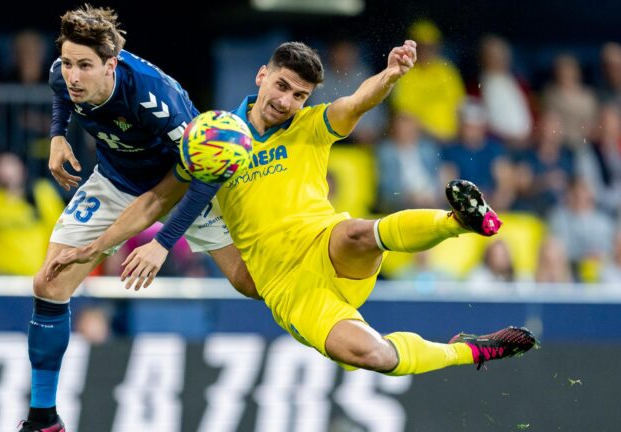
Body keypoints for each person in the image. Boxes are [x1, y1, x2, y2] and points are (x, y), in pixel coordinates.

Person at [103, 40, 535, 380]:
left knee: (356, 233)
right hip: (290, 289)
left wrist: (389, 74)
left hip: (327, 247)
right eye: (282, 86)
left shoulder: (312, 125)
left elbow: (358, 102)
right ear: (262, 76)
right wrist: (105, 247)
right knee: (374, 355)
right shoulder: (216, 136)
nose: (287, 101)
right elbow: (166, 197)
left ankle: (460, 221)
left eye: (299, 95)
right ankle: (470, 349)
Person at [19, 5, 256, 431]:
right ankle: (43, 419)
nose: (73, 75)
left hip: (183, 181)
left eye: (85, 67)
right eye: (69, 63)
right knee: (49, 283)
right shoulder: (62, 72)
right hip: (115, 179)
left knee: (248, 283)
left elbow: (201, 174)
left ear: (111, 65)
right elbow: (60, 93)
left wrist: (162, 242)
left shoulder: (155, 98)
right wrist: (57, 136)